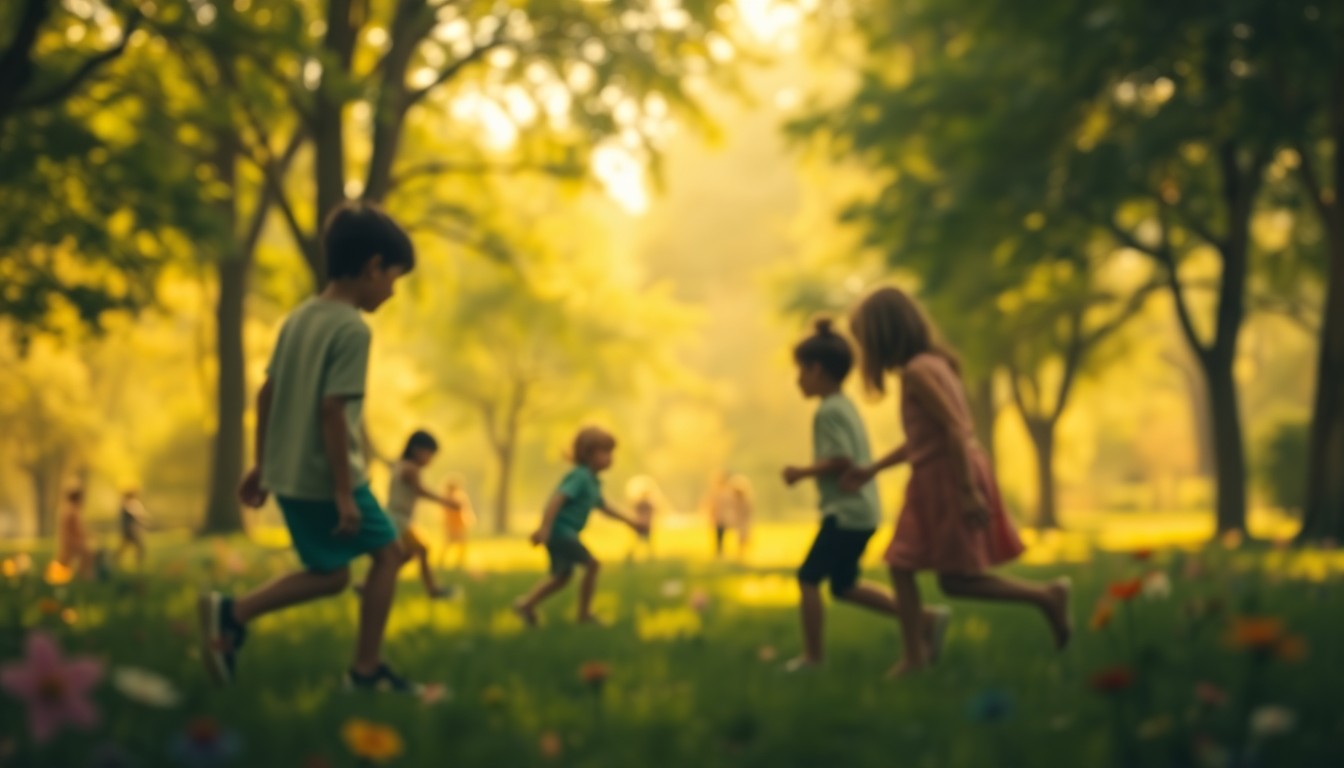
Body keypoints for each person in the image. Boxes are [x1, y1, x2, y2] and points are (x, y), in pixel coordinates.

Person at [198, 201, 420, 692]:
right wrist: (344, 493)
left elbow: (267, 393)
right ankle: (366, 670)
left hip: (290, 476)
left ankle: (232, 614)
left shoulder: (298, 318)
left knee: (332, 574)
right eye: (393, 278)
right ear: (373, 267)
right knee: (389, 556)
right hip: (328, 479)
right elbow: (332, 411)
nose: (392, 291)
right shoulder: (352, 329)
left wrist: (263, 463)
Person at [843, 286, 1071, 677]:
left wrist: (966, 491)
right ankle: (1044, 597)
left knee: (921, 570)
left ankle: (917, 657)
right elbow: (925, 438)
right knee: (934, 574)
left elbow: (954, 427)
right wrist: (873, 469)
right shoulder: (935, 363)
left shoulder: (917, 373)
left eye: (865, 341)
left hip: (947, 478)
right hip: (940, 474)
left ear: (883, 336)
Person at [782, 317, 951, 671]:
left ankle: (812, 657)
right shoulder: (845, 405)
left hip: (845, 514)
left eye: (801, 371)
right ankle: (925, 619)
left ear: (817, 370)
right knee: (843, 586)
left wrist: (800, 472)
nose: (797, 380)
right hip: (863, 512)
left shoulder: (827, 411)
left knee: (808, 578)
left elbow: (841, 459)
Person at [512, 427, 647, 626]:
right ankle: (584, 615)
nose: (611, 458)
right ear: (588, 453)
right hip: (561, 532)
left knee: (561, 577)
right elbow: (558, 498)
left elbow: (605, 507)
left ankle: (526, 605)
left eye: (611, 452)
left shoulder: (592, 482)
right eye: (605, 452)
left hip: (563, 533)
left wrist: (632, 523)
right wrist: (545, 528)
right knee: (592, 564)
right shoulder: (580, 476)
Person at [380, 430, 455, 597]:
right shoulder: (410, 469)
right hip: (399, 519)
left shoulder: (401, 464)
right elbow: (420, 491)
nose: (430, 459)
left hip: (397, 518)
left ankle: (373, 580)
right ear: (417, 450)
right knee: (421, 549)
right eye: (429, 454)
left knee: (406, 554)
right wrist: (447, 502)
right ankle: (433, 590)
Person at [438, 478, 475, 571]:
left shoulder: (459, 498)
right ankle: (442, 562)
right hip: (452, 525)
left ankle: (458, 562)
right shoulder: (448, 498)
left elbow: (464, 511)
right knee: (448, 545)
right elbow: (446, 513)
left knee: (461, 545)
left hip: (458, 525)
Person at [56, 487, 93, 579]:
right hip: (72, 542)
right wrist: (88, 536)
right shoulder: (73, 511)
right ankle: (85, 575)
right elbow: (78, 530)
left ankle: (77, 573)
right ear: (78, 499)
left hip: (65, 541)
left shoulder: (66, 509)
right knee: (88, 552)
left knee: (65, 560)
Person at [701, 471, 737, 558]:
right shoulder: (718, 492)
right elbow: (710, 503)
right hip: (718, 516)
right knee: (719, 533)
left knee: (721, 533)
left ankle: (720, 550)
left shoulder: (725, 492)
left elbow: (729, 504)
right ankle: (719, 550)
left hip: (723, 516)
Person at [115, 489, 149, 570]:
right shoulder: (128, 504)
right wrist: (143, 522)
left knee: (124, 547)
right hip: (130, 530)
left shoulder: (128, 503)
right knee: (139, 547)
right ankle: (139, 565)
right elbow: (136, 516)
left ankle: (114, 560)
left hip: (129, 530)